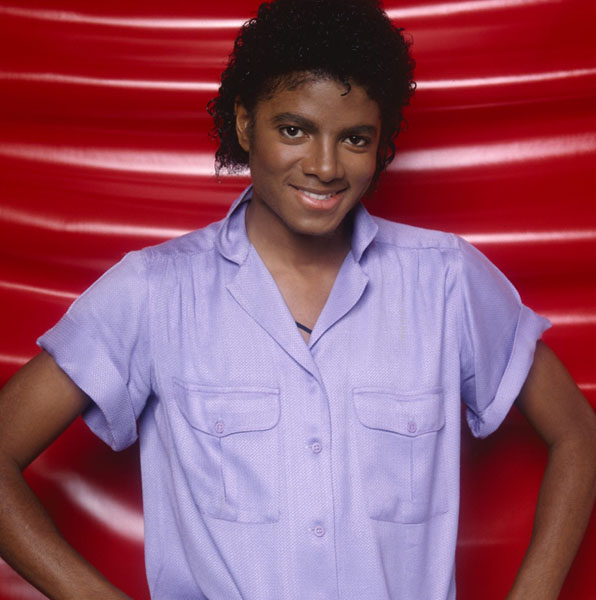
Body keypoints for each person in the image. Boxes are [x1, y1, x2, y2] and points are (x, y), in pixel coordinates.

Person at [1, 0, 595, 598]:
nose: (325, 166)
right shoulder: (156, 291)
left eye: (355, 138)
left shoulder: (445, 281)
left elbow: (579, 434)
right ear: (244, 124)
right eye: (294, 130)